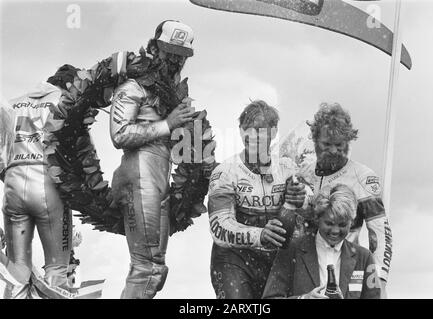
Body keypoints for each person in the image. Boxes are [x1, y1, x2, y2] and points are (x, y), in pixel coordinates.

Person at [109, 20, 197, 299]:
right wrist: (168, 125)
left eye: (180, 55)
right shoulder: (133, 86)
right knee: (146, 269)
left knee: (155, 270)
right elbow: (119, 135)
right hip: (138, 176)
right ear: (154, 47)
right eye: (169, 51)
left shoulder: (173, 95)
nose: (174, 60)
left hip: (159, 179)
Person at [207, 100, 306, 299]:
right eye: (247, 129)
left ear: (274, 131)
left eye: (260, 130)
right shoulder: (225, 172)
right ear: (240, 131)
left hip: (277, 261)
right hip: (235, 260)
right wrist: (259, 235)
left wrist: (303, 198)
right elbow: (219, 227)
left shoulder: (287, 168)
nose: (252, 136)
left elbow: (310, 209)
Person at [297, 102, 392, 297]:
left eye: (339, 145)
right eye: (327, 144)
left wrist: (379, 280)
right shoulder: (303, 174)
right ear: (314, 140)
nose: (333, 150)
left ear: (348, 142)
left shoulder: (363, 177)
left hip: (346, 269)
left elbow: (380, 235)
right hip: (306, 268)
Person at [1, 82, 72, 298]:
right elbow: (76, 152)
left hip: (13, 182)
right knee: (57, 267)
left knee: (17, 267)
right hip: (47, 182)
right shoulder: (64, 100)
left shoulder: (11, 105)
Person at [262, 184, 381, 299]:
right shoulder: (291, 250)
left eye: (342, 225)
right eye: (329, 223)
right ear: (317, 219)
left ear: (352, 222)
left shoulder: (364, 258)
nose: (335, 231)